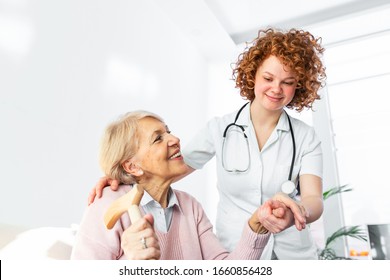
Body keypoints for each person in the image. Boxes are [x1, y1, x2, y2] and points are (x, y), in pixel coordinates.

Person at [88, 27, 326, 259]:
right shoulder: (219, 129)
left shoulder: (306, 137)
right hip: (237, 250)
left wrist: (299, 211)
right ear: (253, 74)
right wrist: (122, 177)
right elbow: (169, 167)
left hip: (293, 253)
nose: (277, 88)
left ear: (299, 85)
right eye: (268, 77)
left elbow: (313, 199)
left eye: (288, 82)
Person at [71, 111, 305, 260]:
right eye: (158, 138)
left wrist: (256, 225)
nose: (175, 139)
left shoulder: (190, 206)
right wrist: (129, 265)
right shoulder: (107, 204)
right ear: (132, 167)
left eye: (169, 132)